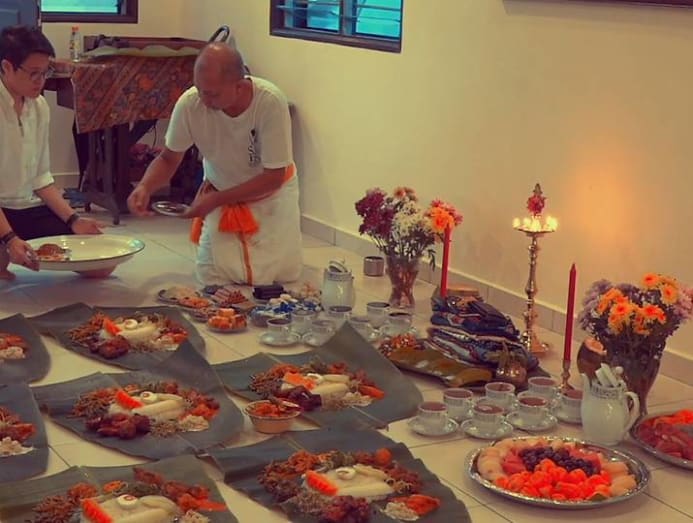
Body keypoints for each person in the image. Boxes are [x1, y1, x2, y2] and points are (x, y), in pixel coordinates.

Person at [128, 43, 302, 286]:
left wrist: (215, 200)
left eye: (212, 94)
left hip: (270, 196)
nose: (204, 99)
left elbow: (273, 177)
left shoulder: (269, 102)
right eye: (200, 90)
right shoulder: (190, 103)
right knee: (213, 276)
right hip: (220, 189)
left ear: (239, 86)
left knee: (271, 278)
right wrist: (145, 186)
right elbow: (169, 158)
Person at [0, 26, 102, 279]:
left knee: (99, 264)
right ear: (6, 67)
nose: (40, 81)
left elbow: (41, 179)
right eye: (33, 73)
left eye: (45, 72)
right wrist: (10, 238)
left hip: (26, 208)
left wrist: (74, 220)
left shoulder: (39, 107)